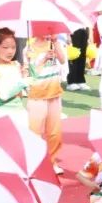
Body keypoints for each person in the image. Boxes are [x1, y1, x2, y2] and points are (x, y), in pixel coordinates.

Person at [25, 30, 67, 174]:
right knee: (35, 132)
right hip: (37, 95)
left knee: (55, 132)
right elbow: (32, 71)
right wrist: (43, 59)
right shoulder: (29, 48)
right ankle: (34, 163)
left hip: (54, 93)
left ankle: (52, 161)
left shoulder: (54, 44)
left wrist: (55, 42)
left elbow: (63, 60)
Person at [0, 27, 28, 122]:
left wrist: (29, 68)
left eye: (13, 47)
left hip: (20, 112)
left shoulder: (16, 65)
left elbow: (28, 90)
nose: (10, 51)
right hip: (2, 113)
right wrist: (22, 82)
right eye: (5, 47)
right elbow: (4, 94)